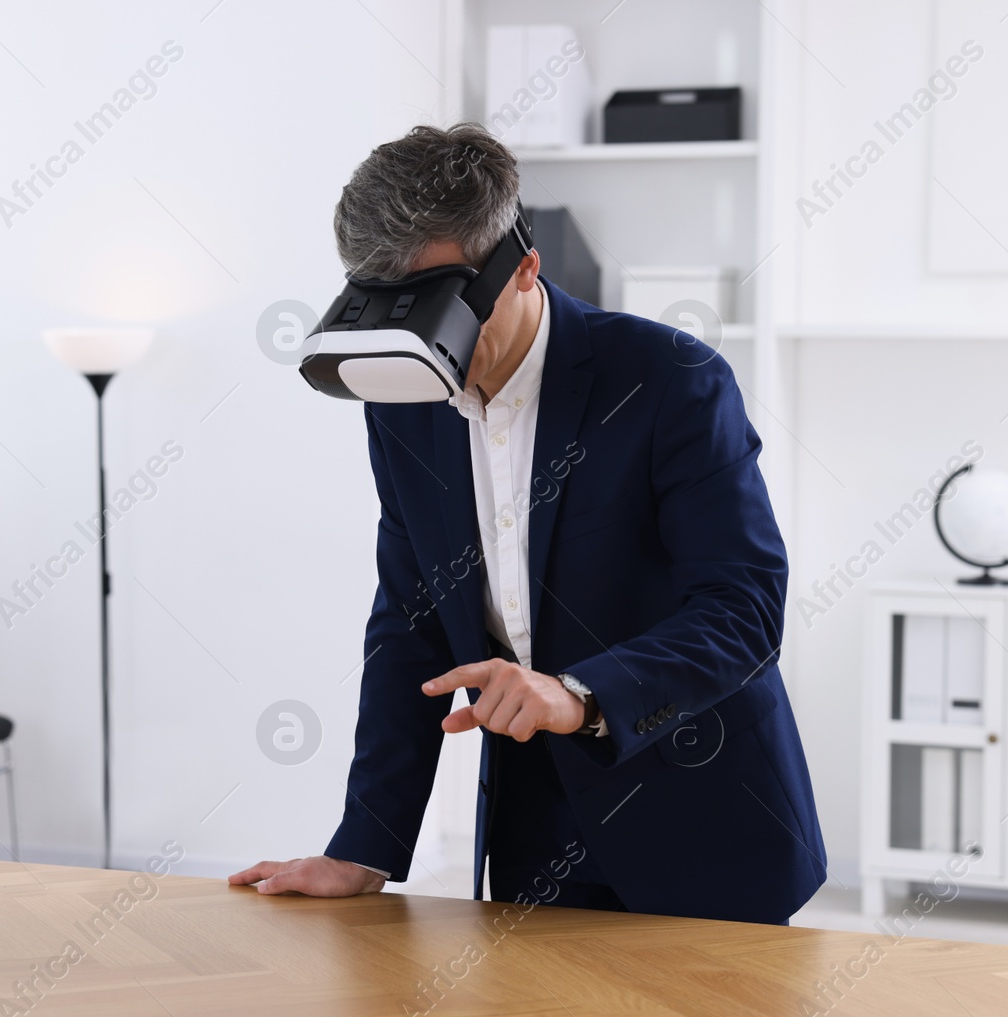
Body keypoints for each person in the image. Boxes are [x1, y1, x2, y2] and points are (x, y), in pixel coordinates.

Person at [230, 123, 825, 924]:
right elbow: (410, 623)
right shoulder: (404, 407)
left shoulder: (670, 381)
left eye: (436, 303)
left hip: (701, 815)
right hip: (535, 834)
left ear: (523, 269)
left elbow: (744, 608)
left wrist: (580, 693)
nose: (417, 340)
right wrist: (363, 846)